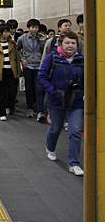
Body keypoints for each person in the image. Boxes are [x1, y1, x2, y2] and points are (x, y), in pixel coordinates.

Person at [38, 31, 84, 176]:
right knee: (56, 128)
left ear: (77, 45)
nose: (70, 46)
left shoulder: (82, 60)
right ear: (61, 44)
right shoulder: (52, 58)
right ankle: (50, 147)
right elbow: (42, 76)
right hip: (57, 101)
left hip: (76, 102)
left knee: (75, 131)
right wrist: (53, 91)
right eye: (67, 43)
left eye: (73, 43)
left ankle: (74, 163)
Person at [0, 24, 21, 121]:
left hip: (12, 71)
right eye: (5, 32)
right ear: (1, 33)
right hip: (0, 71)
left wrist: (19, 70)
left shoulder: (13, 43)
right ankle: (2, 112)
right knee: (2, 93)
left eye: (8, 31)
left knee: (12, 92)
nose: (7, 33)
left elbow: (17, 58)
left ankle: (10, 106)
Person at [17, 19, 45, 119]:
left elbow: (45, 50)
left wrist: (42, 42)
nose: (34, 29)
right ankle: (29, 108)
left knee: (39, 88)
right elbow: (17, 50)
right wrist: (22, 59)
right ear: (28, 28)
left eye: (36, 27)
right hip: (27, 66)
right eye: (32, 27)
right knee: (29, 87)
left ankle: (39, 109)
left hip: (39, 65)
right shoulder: (22, 38)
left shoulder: (41, 38)